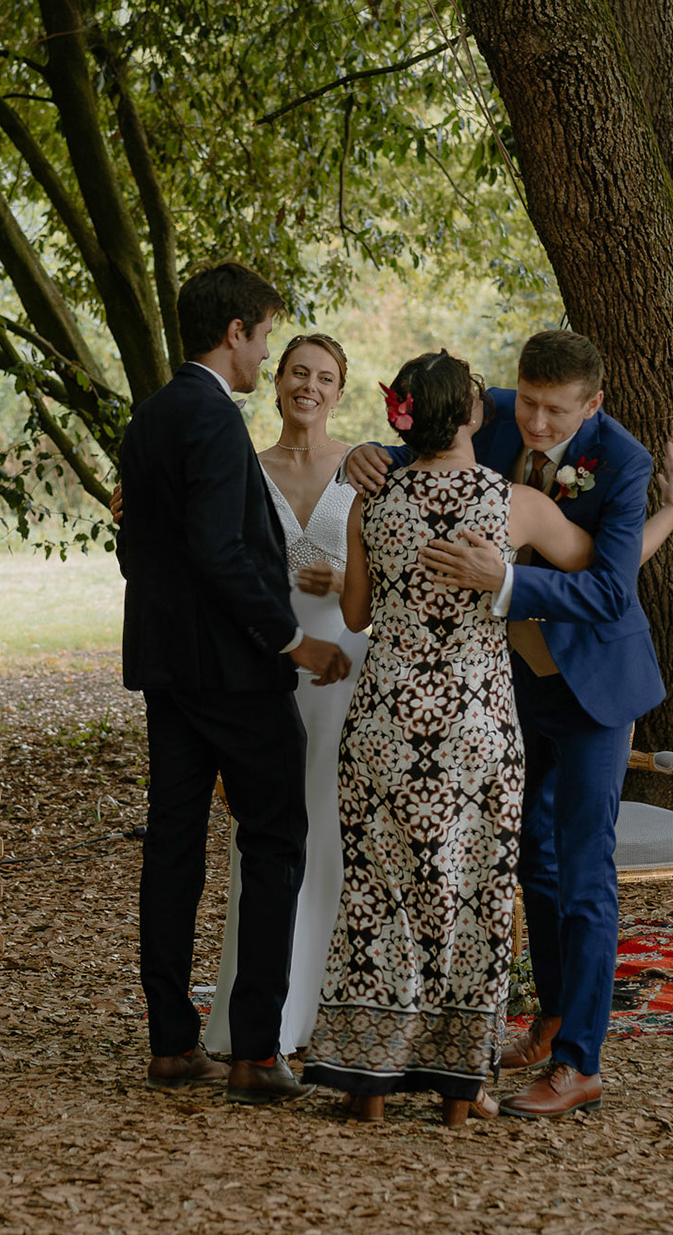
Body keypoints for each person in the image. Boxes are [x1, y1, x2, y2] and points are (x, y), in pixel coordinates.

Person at [343, 328, 670, 1118]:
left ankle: (580, 1062)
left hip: (593, 688)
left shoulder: (624, 463)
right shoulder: (483, 411)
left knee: (585, 871)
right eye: (526, 402)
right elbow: (419, 436)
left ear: (592, 405)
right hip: (508, 688)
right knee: (531, 861)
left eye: (556, 411)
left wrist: (507, 582)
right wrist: (363, 452)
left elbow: (611, 592)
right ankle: (549, 1017)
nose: (535, 423)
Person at [306, 350, 595, 1126]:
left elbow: (357, 615)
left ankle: (368, 1086)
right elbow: (587, 560)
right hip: (475, 723)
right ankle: (460, 1095)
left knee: (380, 895)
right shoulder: (512, 504)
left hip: (386, 720)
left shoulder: (372, 501)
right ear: (470, 415)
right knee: (473, 898)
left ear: (404, 417)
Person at [118, 261, 352, 1106]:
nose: (263, 355)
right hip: (235, 673)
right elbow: (221, 552)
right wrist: (292, 642)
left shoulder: (151, 414)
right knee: (276, 838)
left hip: (166, 666)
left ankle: (171, 1042)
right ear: (235, 333)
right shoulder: (216, 420)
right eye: (264, 337)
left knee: (174, 845)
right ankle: (255, 1050)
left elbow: (135, 549)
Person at [202, 332, 371, 1059]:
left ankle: (327, 1007)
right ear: (276, 383)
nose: (309, 386)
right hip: (267, 667)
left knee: (332, 828)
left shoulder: (363, 469)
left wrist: (346, 580)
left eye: (324, 377)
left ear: (340, 391)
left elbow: (396, 568)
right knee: (264, 833)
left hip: (344, 665)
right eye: (298, 372)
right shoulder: (247, 467)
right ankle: (258, 1017)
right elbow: (219, 556)